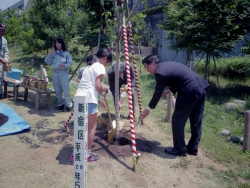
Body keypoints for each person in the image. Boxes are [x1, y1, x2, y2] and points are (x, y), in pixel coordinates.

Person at [141, 55, 209, 157]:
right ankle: (193, 148)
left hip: (189, 91)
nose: (147, 70)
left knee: (177, 119)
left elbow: (157, 94)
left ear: (153, 63)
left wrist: (148, 109)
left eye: (147, 67)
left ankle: (180, 149)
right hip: (200, 87)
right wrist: (170, 90)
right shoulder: (167, 65)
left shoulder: (160, 72)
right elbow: (179, 79)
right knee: (196, 120)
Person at [75, 48, 112, 162]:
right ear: (105, 58)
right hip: (89, 99)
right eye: (107, 63)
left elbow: (88, 85)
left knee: (80, 127)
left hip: (79, 97)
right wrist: (105, 89)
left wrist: (99, 100)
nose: (106, 65)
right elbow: (97, 86)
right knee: (91, 127)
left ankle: (76, 153)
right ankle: (87, 154)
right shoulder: (100, 66)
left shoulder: (88, 67)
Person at [45, 37, 73, 112]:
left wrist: (64, 66)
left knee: (65, 90)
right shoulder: (54, 53)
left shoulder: (66, 53)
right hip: (55, 74)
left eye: (59, 43)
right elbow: (47, 61)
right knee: (57, 90)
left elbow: (70, 63)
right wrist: (49, 54)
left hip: (63, 73)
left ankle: (68, 105)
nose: (57, 44)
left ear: (62, 44)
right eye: (56, 43)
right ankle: (60, 104)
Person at [0, 23, 9, 99]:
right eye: (1, 30)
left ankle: (0, 92)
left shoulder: (4, 41)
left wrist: (5, 59)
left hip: (1, 63)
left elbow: (6, 51)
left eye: (4, 30)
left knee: (1, 77)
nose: (2, 32)